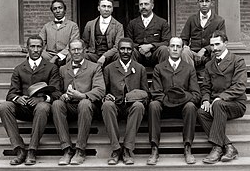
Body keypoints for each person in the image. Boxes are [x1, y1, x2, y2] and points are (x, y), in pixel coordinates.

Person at [0, 35, 61, 165]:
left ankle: (32, 150)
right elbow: (11, 94)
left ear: (43, 48)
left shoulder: (51, 68)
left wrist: (43, 99)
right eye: (32, 46)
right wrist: (18, 98)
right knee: (4, 107)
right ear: (27, 48)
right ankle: (19, 149)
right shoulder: (19, 68)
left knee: (42, 107)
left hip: (43, 110)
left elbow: (57, 92)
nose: (36, 49)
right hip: (24, 108)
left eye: (38, 46)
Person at [147, 37, 201, 165]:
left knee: (191, 106)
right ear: (168, 48)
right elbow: (155, 92)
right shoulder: (159, 68)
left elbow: (196, 94)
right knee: (153, 105)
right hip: (164, 107)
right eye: (172, 46)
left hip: (183, 109)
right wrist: (169, 100)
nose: (175, 49)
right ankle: (154, 148)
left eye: (178, 46)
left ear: (182, 49)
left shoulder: (189, 68)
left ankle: (187, 147)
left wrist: (180, 99)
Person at [51, 39, 105, 165]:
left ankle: (80, 150)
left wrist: (83, 95)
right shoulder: (63, 69)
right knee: (57, 104)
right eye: (73, 49)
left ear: (84, 50)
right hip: (70, 105)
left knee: (84, 103)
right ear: (69, 51)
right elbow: (56, 90)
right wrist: (63, 95)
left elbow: (100, 90)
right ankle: (67, 149)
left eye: (79, 49)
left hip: (89, 106)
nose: (76, 52)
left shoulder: (94, 67)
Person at [197, 31, 247, 164]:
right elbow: (205, 87)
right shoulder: (209, 65)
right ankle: (228, 146)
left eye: (218, 44)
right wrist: (206, 100)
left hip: (235, 104)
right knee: (201, 112)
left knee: (218, 104)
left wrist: (221, 98)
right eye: (212, 45)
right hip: (216, 104)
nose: (215, 48)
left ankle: (217, 148)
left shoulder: (237, 60)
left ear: (226, 43)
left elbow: (240, 86)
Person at [101, 37, 149, 165]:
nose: (125, 52)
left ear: (132, 51)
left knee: (139, 106)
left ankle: (127, 149)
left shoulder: (140, 68)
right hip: (115, 106)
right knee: (106, 105)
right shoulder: (109, 69)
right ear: (118, 51)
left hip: (132, 107)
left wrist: (133, 97)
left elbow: (146, 94)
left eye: (128, 49)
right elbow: (103, 91)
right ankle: (116, 149)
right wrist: (106, 97)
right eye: (122, 49)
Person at [180, 0, 226, 78]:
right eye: (201, 1)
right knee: (184, 52)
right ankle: (191, 76)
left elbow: (221, 39)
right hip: (193, 53)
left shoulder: (219, 20)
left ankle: (210, 76)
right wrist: (185, 46)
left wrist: (205, 49)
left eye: (207, 1)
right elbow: (184, 38)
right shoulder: (191, 19)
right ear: (198, 3)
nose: (204, 4)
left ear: (211, 3)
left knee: (218, 52)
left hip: (209, 54)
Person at [126, 0, 171, 67]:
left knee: (164, 49)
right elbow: (128, 41)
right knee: (130, 50)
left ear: (152, 6)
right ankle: (132, 76)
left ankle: (164, 75)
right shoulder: (132, 23)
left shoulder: (162, 22)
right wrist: (140, 48)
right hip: (138, 54)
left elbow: (167, 42)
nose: (143, 7)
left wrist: (151, 46)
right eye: (141, 4)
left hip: (155, 54)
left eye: (146, 4)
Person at [82, 0, 124, 67]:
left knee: (119, 56)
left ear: (112, 9)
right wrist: (86, 51)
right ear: (98, 8)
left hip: (111, 57)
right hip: (94, 55)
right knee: (83, 56)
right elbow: (85, 42)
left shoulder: (118, 26)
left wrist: (104, 56)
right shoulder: (90, 24)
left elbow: (118, 46)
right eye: (103, 6)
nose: (106, 9)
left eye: (109, 7)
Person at [39, 0, 80, 66]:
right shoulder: (47, 26)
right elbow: (40, 42)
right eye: (54, 9)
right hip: (50, 55)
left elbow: (73, 43)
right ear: (52, 11)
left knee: (72, 55)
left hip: (66, 55)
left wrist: (58, 56)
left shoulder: (73, 25)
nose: (57, 11)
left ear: (65, 10)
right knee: (35, 54)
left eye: (60, 8)